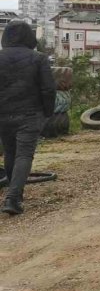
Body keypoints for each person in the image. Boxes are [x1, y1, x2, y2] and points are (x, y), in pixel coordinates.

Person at [0, 21, 56, 215]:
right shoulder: (39, 58)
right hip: (30, 114)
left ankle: (14, 195)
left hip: (3, 115)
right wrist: (48, 113)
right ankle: (13, 198)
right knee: (24, 155)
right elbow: (48, 89)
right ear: (30, 38)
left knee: (9, 152)